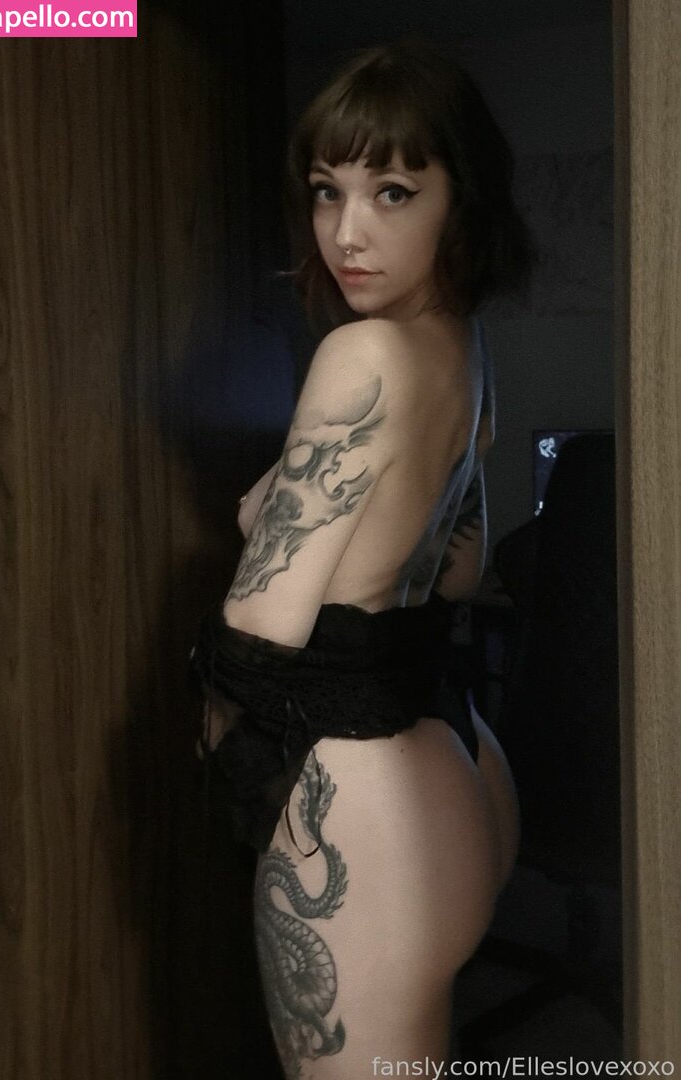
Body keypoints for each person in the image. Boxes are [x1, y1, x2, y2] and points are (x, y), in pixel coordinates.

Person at [190, 35, 536, 1078]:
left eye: (392, 192)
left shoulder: (361, 352)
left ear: (459, 201)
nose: (346, 233)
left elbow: (261, 627)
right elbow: (461, 569)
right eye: (325, 191)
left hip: (359, 806)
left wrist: (224, 755)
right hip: (458, 767)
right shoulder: (462, 348)